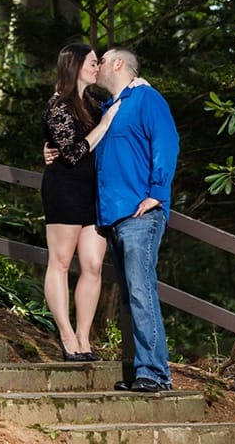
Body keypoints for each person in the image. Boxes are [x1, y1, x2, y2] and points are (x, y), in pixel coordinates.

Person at [93, 47, 179, 393]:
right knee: (131, 295)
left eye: (101, 61)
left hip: (139, 215)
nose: (96, 66)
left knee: (142, 292)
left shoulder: (147, 99)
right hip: (112, 216)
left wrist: (158, 191)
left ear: (118, 64)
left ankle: (154, 374)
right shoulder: (108, 108)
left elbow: (167, 142)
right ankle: (144, 370)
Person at [40, 41, 121, 362]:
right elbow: (72, 154)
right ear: (74, 66)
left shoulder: (94, 102)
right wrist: (104, 125)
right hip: (65, 188)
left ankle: (85, 338)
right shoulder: (58, 105)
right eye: (92, 62)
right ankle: (66, 336)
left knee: (93, 264)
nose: (97, 67)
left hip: (93, 191)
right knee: (60, 263)